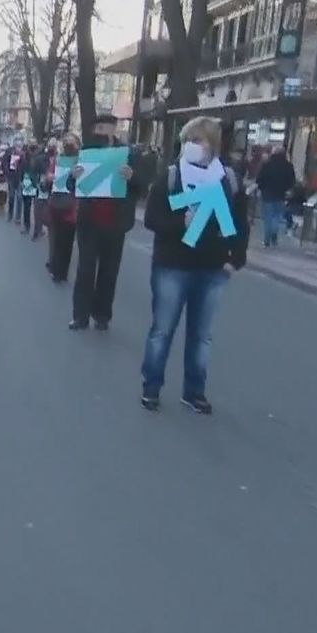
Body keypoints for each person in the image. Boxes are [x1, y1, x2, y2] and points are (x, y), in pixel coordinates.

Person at [140, 116, 249, 414]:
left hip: (212, 268)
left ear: (213, 146)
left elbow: (239, 222)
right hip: (172, 265)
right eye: (190, 140)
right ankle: (151, 387)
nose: (194, 146)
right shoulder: (172, 176)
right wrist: (180, 222)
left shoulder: (227, 179)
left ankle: (194, 391)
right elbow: (152, 218)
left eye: (200, 141)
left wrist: (235, 258)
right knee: (162, 329)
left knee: (202, 335)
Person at [69, 113, 143, 331]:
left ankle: (102, 315)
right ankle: (80, 316)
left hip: (116, 222)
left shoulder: (129, 154)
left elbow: (142, 186)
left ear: (114, 129)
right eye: (97, 128)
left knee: (109, 271)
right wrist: (74, 176)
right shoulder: (86, 153)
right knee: (85, 270)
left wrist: (132, 177)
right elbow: (74, 186)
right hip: (89, 222)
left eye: (104, 128)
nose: (100, 132)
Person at [46, 134, 80, 283]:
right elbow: (48, 178)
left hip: (72, 207)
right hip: (56, 203)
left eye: (71, 142)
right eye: (66, 142)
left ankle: (62, 271)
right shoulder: (57, 160)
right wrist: (49, 177)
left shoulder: (81, 162)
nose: (68, 145)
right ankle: (55, 268)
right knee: (56, 238)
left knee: (67, 241)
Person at [254, 144, 295, 248]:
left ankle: (267, 240)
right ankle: (274, 234)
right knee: (277, 216)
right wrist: (287, 190)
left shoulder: (267, 165)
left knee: (267, 218)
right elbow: (292, 181)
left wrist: (261, 188)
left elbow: (260, 179)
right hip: (281, 195)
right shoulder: (288, 166)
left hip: (267, 194)